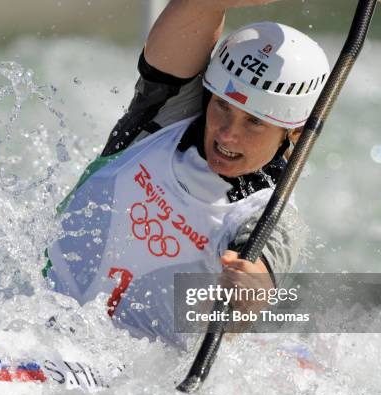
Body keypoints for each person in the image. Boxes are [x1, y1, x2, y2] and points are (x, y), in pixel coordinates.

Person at [44, 0, 330, 347]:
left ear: (295, 134)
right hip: (34, 313)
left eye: (254, 122)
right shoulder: (168, 112)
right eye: (223, 105)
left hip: (130, 377)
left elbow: (260, 278)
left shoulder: (270, 214)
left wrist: (251, 292)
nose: (226, 134)